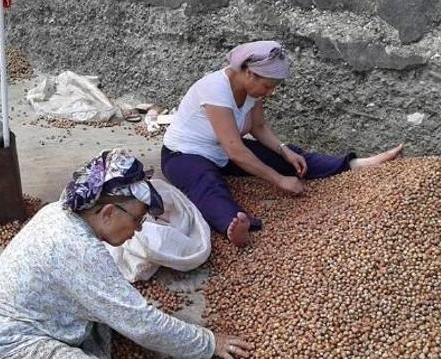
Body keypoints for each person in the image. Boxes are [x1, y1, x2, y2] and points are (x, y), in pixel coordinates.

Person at [0, 149, 253, 359]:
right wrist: (211, 342)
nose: (139, 229)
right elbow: (142, 323)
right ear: (107, 212)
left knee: (106, 323)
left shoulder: (60, 212)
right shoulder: (77, 249)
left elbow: (126, 312)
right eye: (138, 220)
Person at [161, 40, 404, 247]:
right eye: (267, 86)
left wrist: (284, 150)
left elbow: (259, 128)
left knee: (291, 158)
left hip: (221, 151)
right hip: (184, 154)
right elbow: (236, 150)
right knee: (207, 183)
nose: (269, 93)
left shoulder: (252, 91)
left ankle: (355, 164)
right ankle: (232, 226)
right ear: (249, 73)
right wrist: (279, 180)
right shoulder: (215, 89)